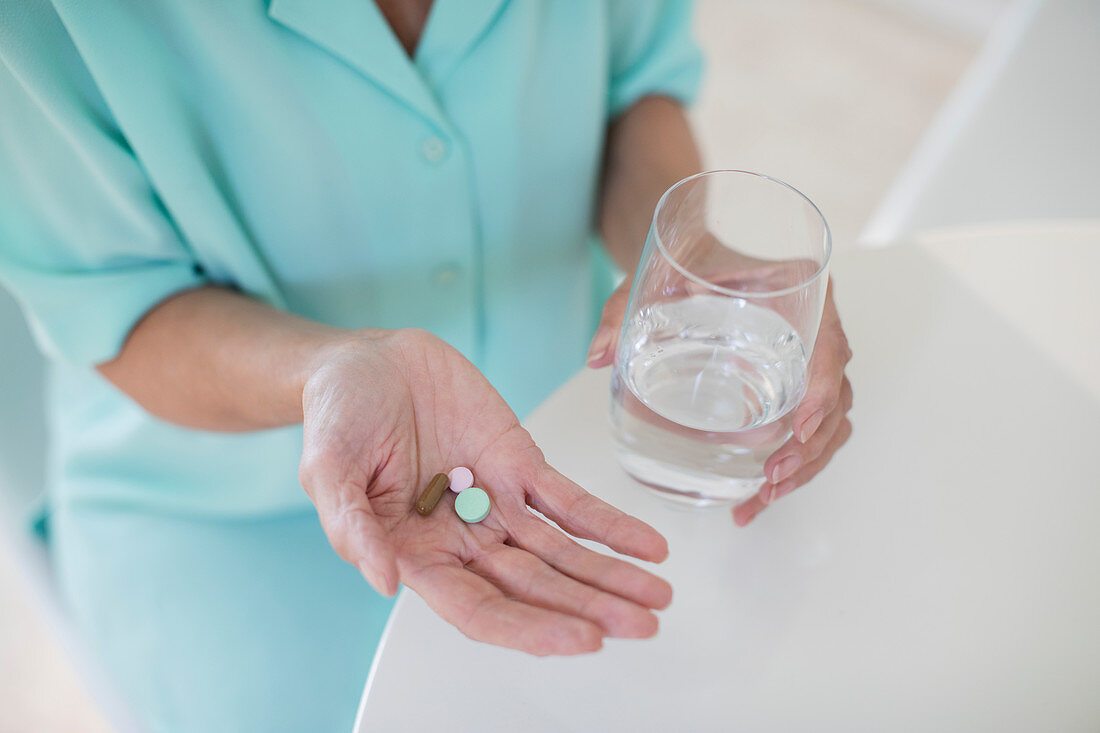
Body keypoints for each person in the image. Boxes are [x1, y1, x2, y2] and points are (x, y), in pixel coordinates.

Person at [0, 0, 853, 730]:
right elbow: (123, 302)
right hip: (226, 506)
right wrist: (329, 367)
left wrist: (684, 259)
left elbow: (634, 85)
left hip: (565, 405)